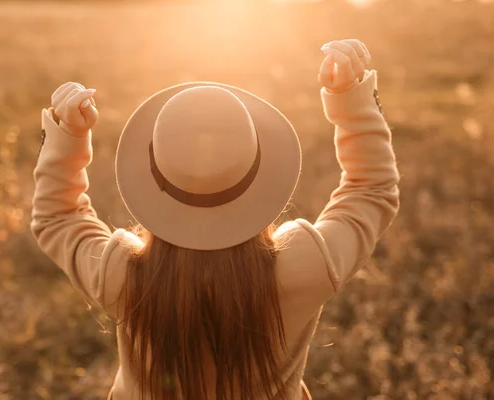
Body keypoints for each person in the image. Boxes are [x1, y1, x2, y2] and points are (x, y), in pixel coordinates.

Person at [31, 38, 400, 400]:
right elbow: (370, 190)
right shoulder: (307, 265)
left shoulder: (121, 275)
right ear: (260, 174)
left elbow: (58, 216)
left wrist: (68, 137)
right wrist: (352, 102)